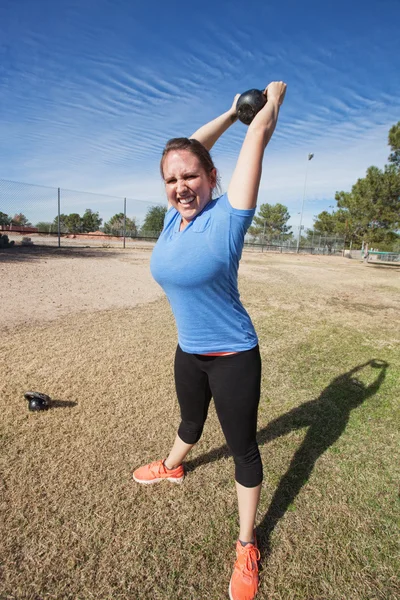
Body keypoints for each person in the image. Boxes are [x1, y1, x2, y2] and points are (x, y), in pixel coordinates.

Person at [133, 81, 287, 600]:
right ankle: (172, 467)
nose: (180, 185)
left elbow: (254, 140)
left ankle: (247, 543)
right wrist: (227, 111)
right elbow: (192, 144)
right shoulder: (172, 224)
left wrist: (267, 106)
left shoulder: (227, 217)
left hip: (233, 356)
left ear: (211, 178)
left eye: (191, 176)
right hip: (188, 352)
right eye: (171, 179)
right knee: (191, 423)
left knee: (243, 448)